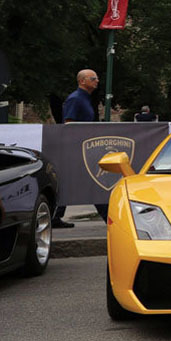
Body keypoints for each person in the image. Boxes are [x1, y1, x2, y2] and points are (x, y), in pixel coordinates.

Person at [56, 68, 101, 228]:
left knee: (79, 181)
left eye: (96, 78)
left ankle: (55, 215)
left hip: (83, 147)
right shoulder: (75, 99)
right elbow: (69, 123)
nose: (97, 81)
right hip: (78, 148)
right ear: (82, 81)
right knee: (93, 180)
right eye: (93, 78)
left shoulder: (84, 99)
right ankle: (108, 215)